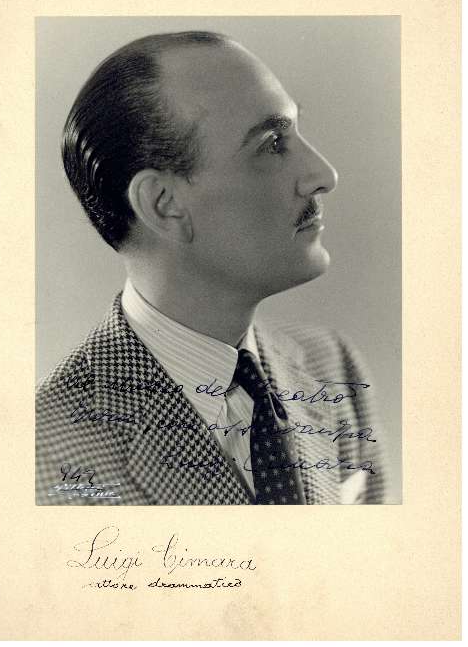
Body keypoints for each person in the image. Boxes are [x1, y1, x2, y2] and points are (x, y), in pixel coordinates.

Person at [36, 30, 387, 505]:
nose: (324, 175)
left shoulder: (332, 367)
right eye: (272, 143)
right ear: (164, 204)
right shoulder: (39, 457)